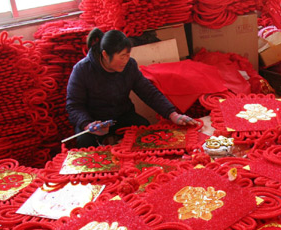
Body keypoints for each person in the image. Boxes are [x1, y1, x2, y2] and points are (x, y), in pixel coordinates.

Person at [66, 28, 197, 148]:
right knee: (85, 143)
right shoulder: (82, 70)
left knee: (145, 130)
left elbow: (148, 92)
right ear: (105, 55)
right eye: (122, 56)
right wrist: (88, 124)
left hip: (121, 115)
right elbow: (74, 105)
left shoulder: (129, 65)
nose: (126, 60)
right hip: (93, 121)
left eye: (128, 55)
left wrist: (172, 114)